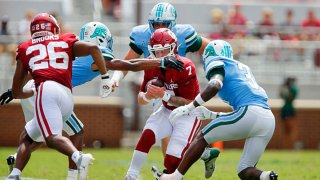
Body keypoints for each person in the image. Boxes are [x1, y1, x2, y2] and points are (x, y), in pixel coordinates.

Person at [1, 21, 184, 180]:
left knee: (39, 134)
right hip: (45, 92)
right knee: (71, 132)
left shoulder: (75, 49)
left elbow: (36, 66)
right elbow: (128, 64)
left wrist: (14, 90)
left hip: (34, 90)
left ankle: (18, 162)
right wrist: (160, 62)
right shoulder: (95, 54)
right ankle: (75, 171)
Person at [110, 2, 216, 174]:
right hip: (158, 81)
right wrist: (116, 77)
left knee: (177, 136)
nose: (159, 27)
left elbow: (210, 47)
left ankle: (194, 157)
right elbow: (129, 61)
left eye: (164, 24)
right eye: (156, 24)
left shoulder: (184, 36)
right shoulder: (143, 37)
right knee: (162, 134)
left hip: (181, 85)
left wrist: (218, 65)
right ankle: (175, 166)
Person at [6, 12, 111, 180]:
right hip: (66, 95)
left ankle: (78, 157)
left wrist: (22, 91)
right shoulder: (65, 39)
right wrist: (105, 78)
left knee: (51, 138)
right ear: (54, 28)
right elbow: (93, 48)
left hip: (46, 90)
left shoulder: (25, 47)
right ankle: (15, 174)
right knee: (28, 135)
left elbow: (18, 90)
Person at [154, 40, 278, 180]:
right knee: (245, 169)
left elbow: (215, 85)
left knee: (202, 137)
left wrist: (190, 106)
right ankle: (268, 176)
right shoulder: (240, 67)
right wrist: (214, 115)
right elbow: (243, 114)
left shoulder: (218, 62)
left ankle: (174, 177)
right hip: (267, 119)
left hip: (250, 113)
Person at [125, 28, 219, 180]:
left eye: (165, 51)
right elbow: (140, 99)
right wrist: (148, 96)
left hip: (189, 113)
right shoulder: (151, 63)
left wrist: (163, 95)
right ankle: (131, 176)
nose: (161, 55)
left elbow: (189, 103)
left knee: (172, 160)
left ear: (174, 48)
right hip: (167, 110)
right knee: (147, 135)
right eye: (157, 51)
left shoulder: (185, 66)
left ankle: (181, 168)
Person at [279, 77, 299, 149]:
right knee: (287, 129)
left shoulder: (293, 89)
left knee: (290, 129)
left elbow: (290, 97)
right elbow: (281, 95)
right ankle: (287, 146)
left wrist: (288, 87)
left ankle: (290, 146)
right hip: (286, 110)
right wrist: (285, 86)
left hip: (289, 109)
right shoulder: (286, 88)